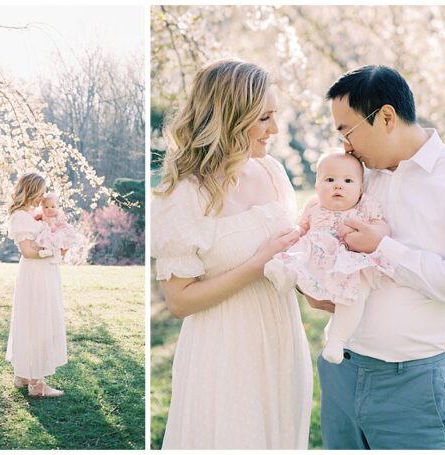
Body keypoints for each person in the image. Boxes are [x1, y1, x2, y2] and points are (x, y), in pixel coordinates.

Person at [305, 65, 445, 449]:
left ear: (386, 117)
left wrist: (385, 250)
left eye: (347, 131)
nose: (345, 146)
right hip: (341, 372)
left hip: (412, 384)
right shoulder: (358, 175)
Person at [151, 59, 311, 448]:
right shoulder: (185, 193)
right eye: (264, 118)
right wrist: (257, 264)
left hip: (282, 338)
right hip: (225, 348)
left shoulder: (272, 171)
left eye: (275, 116)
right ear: (231, 118)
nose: (275, 130)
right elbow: (179, 301)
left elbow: (290, 255)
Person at [264, 152, 393, 364]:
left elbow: (381, 225)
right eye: (330, 180)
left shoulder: (365, 205)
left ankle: (337, 340)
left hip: (348, 260)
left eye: (348, 181)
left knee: (357, 291)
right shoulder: (314, 206)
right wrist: (293, 237)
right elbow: (302, 228)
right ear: (317, 187)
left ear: (360, 189)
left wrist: (377, 232)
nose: (338, 186)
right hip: (317, 253)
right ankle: (283, 272)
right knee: (299, 251)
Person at [5, 173, 68, 397]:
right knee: (37, 321)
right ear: (29, 191)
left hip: (44, 272)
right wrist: (52, 252)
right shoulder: (21, 217)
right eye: (39, 192)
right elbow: (28, 251)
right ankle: (36, 383)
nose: (42, 197)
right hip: (35, 273)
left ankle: (23, 374)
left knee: (36, 319)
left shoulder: (33, 215)